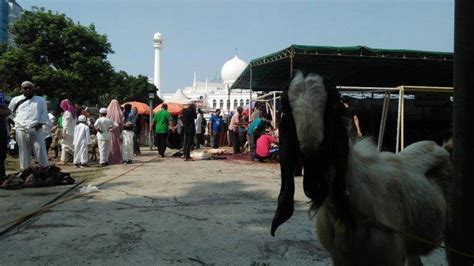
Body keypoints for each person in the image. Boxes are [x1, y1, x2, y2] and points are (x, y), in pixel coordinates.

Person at [8, 81, 50, 171]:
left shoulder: (40, 100)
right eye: (25, 88)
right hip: (21, 128)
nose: (28, 89)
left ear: (33, 88)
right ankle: (25, 170)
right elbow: (9, 112)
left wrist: (40, 123)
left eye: (29, 87)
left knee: (40, 149)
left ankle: (44, 168)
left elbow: (44, 113)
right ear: (21, 89)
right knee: (23, 150)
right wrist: (17, 121)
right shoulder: (15, 99)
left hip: (36, 127)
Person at [58, 99, 76, 165]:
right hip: (72, 131)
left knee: (69, 147)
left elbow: (66, 123)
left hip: (68, 132)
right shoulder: (73, 112)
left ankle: (78, 157)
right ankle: (63, 160)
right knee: (64, 145)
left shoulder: (67, 113)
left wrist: (64, 132)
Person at [106, 99, 124, 164]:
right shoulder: (120, 112)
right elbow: (122, 123)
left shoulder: (107, 111)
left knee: (110, 144)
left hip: (109, 130)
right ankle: (118, 158)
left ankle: (109, 158)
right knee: (117, 144)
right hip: (117, 130)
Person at [0, 95, 11, 177]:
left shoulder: (2, 104)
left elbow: (8, 112)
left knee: (2, 153)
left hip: (2, 130)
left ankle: (2, 176)